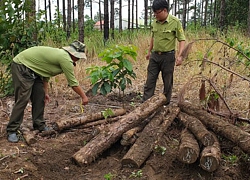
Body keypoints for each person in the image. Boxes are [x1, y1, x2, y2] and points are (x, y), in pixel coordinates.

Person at [7, 40, 89, 143]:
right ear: (73, 54)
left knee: (40, 97)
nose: (78, 60)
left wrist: (45, 93)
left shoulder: (62, 57)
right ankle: (12, 130)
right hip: (21, 65)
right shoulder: (65, 58)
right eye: (78, 57)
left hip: (34, 70)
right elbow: (73, 83)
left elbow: (46, 74)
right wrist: (84, 96)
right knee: (23, 98)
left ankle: (39, 125)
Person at [143, 0, 186, 105]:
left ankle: (165, 105)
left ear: (165, 10)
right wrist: (149, 52)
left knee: (167, 82)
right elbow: (153, 37)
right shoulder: (154, 22)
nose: (155, 15)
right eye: (154, 13)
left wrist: (180, 56)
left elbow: (182, 40)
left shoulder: (175, 22)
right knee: (150, 81)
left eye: (157, 12)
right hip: (154, 56)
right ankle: (145, 105)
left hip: (168, 57)